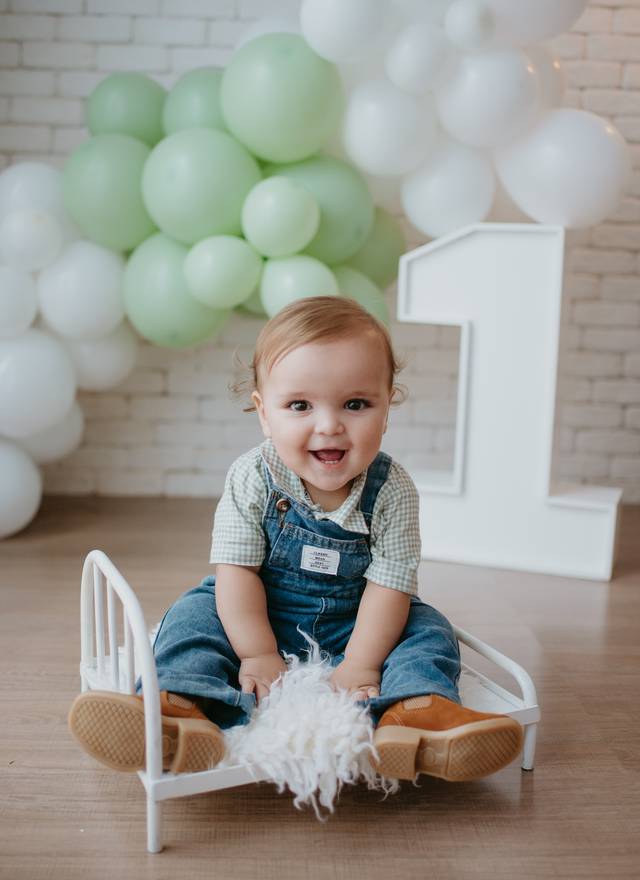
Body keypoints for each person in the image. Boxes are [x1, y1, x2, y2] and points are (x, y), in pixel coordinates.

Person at [69, 295, 523, 782]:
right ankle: (176, 706)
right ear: (265, 414)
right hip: (259, 608)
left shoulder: (393, 490)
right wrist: (258, 653)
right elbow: (237, 572)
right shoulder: (253, 477)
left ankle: (418, 715)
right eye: (300, 405)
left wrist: (363, 664)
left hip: (361, 619)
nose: (328, 425)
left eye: (355, 404)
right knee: (192, 615)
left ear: (386, 408)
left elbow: (389, 585)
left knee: (429, 630)